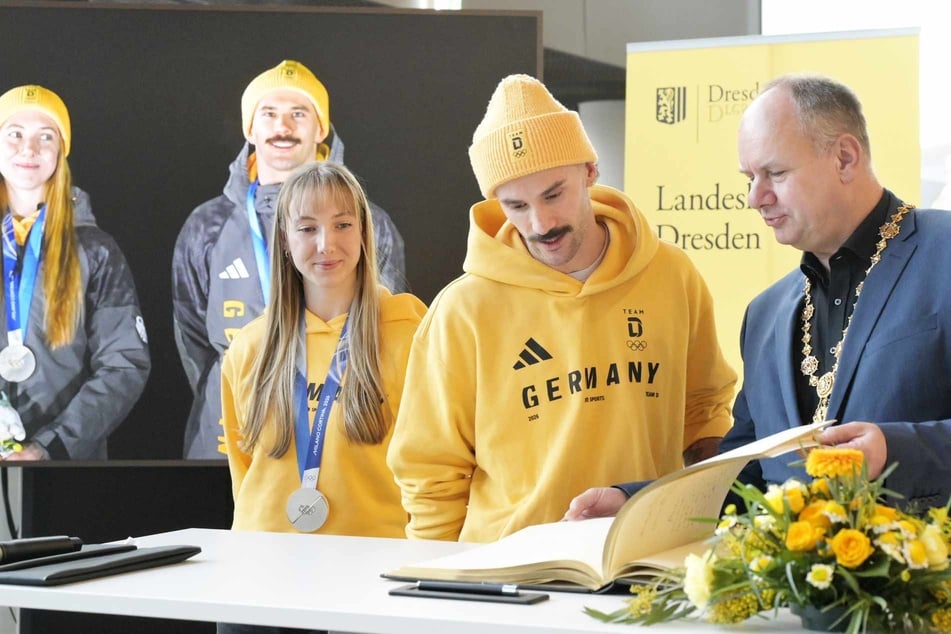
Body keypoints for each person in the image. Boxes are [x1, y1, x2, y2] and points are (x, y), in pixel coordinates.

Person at [565, 73, 951, 521]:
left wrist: (897, 450)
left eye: (776, 173)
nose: (755, 197)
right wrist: (634, 504)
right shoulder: (765, 315)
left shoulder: (943, 253)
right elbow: (744, 477)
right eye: (750, 177)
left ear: (844, 158)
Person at [385, 74, 736, 543]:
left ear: (590, 171)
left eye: (554, 194)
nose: (541, 223)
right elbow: (430, 470)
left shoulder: (671, 274)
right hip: (510, 565)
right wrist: (437, 574)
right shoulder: (463, 310)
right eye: (516, 205)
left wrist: (711, 521)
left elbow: (704, 411)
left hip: (647, 550)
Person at [217, 161, 424, 634]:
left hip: (377, 577)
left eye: (343, 225)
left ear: (364, 233)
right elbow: (242, 469)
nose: (326, 244)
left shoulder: (412, 337)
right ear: (284, 240)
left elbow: (435, 469)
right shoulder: (250, 348)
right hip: (260, 579)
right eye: (308, 228)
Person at [174, 60, 407, 459]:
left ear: (321, 129)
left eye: (299, 114)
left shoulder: (367, 223)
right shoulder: (207, 225)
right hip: (228, 440)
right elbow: (193, 340)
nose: (283, 127)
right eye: (269, 113)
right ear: (250, 129)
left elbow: (387, 335)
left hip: (337, 440)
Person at [0, 84, 150, 460]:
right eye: (14, 133)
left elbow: (124, 363)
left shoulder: (96, 250)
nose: (28, 148)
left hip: (63, 465)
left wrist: (52, 445)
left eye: (45, 136)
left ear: (61, 151)